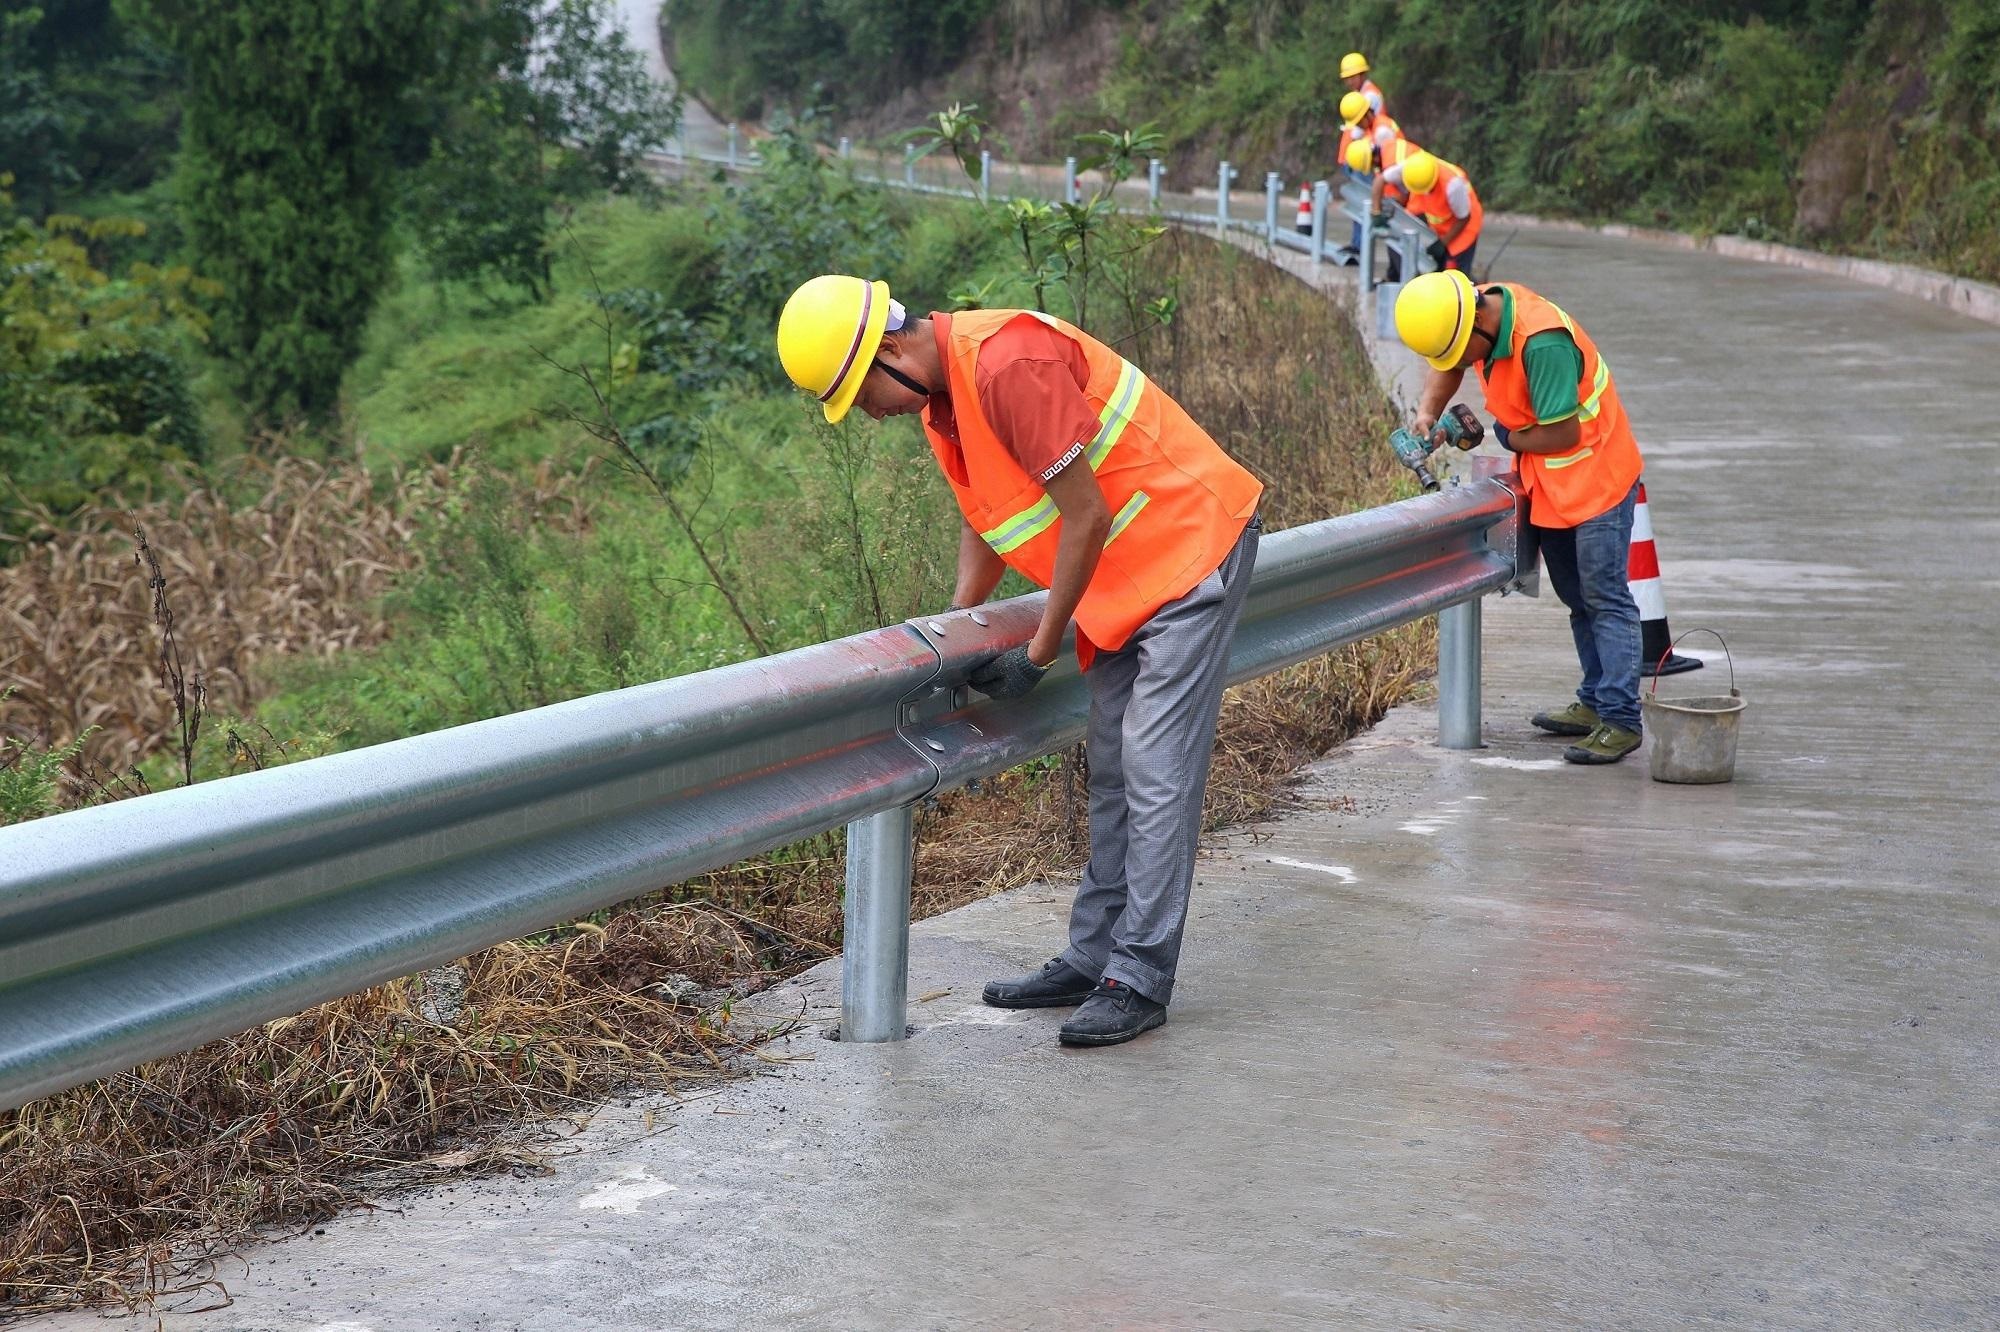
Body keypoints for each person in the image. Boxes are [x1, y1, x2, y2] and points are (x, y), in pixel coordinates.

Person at [776, 275, 1265, 1044]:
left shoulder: (1008, 364)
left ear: (891, 350)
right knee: (1112, 766)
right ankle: (1094, 955)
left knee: (1155, 768)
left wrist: (1036, 656)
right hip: (1124, 579)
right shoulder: (947, 402)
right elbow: (989, 522)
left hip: (1188, 550)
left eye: (860, 394)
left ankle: (1139, 978)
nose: (868, 415)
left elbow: (1086, 512)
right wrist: (957, 633)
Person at [1391, 270, 1645, 764]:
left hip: (1596, 479)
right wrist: (1427, 412)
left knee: (1605, 597)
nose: (1460, 364)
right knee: (1577, 598)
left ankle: (1620, 718)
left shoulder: (1542, 343)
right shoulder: (1474, 312)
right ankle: (1594, 702)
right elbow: (1449, 363)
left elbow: (1561, 435)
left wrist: (1504, 436)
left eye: (1462, 353)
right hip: (1550, 483)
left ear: (1479, 326)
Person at [1373, 149, 1482, 275]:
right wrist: (1376, 211)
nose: (1424, 194)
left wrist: (1443, 243)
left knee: (1455, 276)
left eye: (1428, 190)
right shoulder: (1410, 168)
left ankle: (1476, 288)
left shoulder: (1453, 185)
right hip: (1439, 222)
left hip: (1464, 225)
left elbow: (1464, 218)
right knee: (1436, 269)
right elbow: (1380, 180)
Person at [1339, 50, 1385, 118]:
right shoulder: (1360, 93)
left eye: (1352, 77)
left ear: (1363, 75)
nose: (1349, 82)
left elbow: (1358, 123)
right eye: (1346, 78)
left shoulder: (1369, 95)